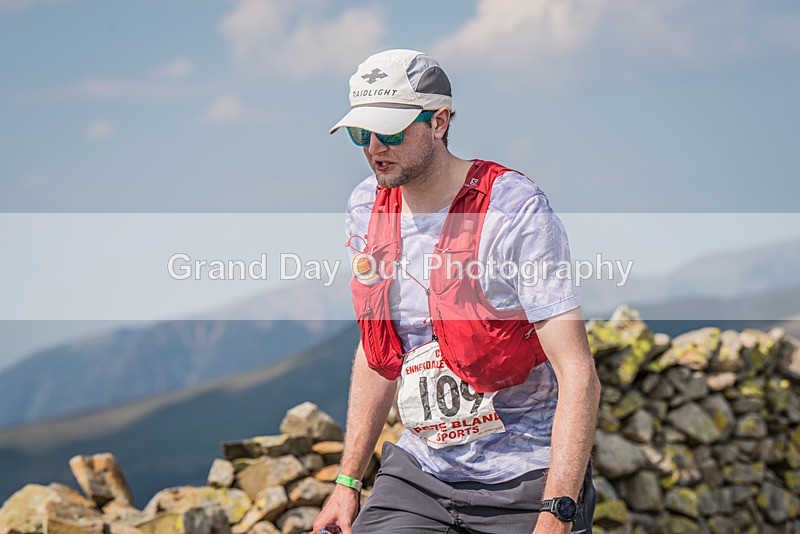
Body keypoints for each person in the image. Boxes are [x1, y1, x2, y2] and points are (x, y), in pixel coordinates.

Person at [314, 49, 600, 534]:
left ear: (440, 121)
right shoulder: (365, 206)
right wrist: (347, 482)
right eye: (362, 134)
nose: (374, 148)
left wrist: (557, 515)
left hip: (526, 480)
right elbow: (378, 348)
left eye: (390, 131)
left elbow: (579, 375)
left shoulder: (514, 209)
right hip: (420, 476)